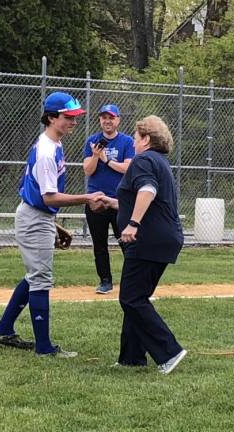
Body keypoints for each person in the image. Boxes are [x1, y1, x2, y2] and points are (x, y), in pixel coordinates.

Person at [0, 92, 104, 358]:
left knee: (35, 275)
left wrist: (53, 223)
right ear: (52, 118)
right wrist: (87, 198)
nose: (74, 122)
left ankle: (4, 328)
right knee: (41, 278)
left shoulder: (53, 144)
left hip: (38, 216)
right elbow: (48, 196)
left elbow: (42, 197)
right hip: (34, 216)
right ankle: (44, 347)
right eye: (68, 117)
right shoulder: (46, 152)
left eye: (75, 117)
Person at [94, 115, 187, 374]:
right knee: (136, 297)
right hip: (162, 239)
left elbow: (147, 191)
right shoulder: (159, 161)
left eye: (136, 138)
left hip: (147, 239)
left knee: (132, 298)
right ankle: (131, 357)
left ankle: (170, 351)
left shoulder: (144, 160)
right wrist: (113, 203)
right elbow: (146, 198)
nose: (133, 143)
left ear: (146, 139)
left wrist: (133, 224)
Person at [83, 104, 135, 294]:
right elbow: (88, 170)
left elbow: (127, 168)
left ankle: (131, 281)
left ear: (118, 120)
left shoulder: (127, 142)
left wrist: (107, 160)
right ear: (100, 120)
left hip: (120, 201)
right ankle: (105, 281)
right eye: (104, 117)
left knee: (126, 241)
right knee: (99, 244)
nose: (107, 121)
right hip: (96, 200)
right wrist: (96, 156)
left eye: (111, 117)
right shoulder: (92, 141)